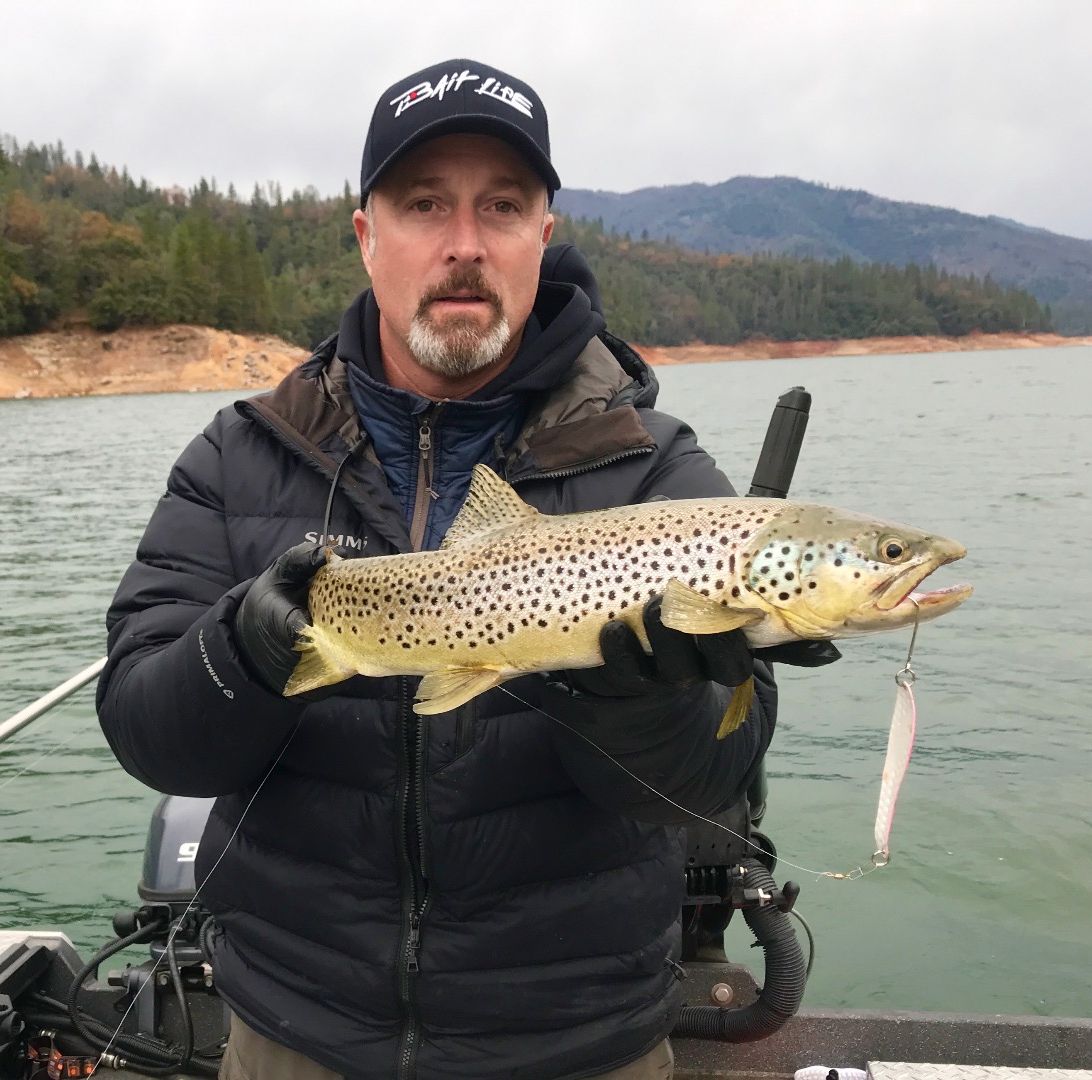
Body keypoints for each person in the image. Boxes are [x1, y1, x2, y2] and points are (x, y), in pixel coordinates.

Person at [97, 58, 830, 1080]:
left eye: (501, 205)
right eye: (423, 204)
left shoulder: (656, 469)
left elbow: (710, 783)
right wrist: (241, 653)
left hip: (581, 1045)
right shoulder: (239, 454)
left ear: (542, 233)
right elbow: (143, 728)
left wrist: (627, 698)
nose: (463, 244)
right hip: (291, 1035)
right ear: (367, 235)